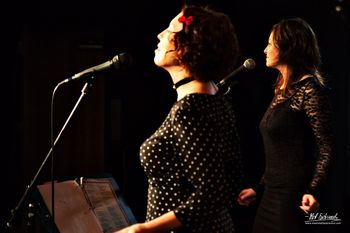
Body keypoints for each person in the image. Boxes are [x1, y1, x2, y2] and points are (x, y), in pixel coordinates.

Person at [115, 4, 242, 233]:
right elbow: (230, 180)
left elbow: (211, 194)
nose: (160, 34)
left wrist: (142, 229)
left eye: (169, 30)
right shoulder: (216, 100)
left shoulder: (191, 109)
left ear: (186, 48)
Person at [237, 17, 334, 233]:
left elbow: (326, 147)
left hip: (291, 199)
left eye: (270, 44)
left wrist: (313, 190)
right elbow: (282, 153)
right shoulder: (282, 89)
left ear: (289, 47)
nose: (265, 50)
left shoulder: (310, 91)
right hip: (270, 196)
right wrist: (258, 188)